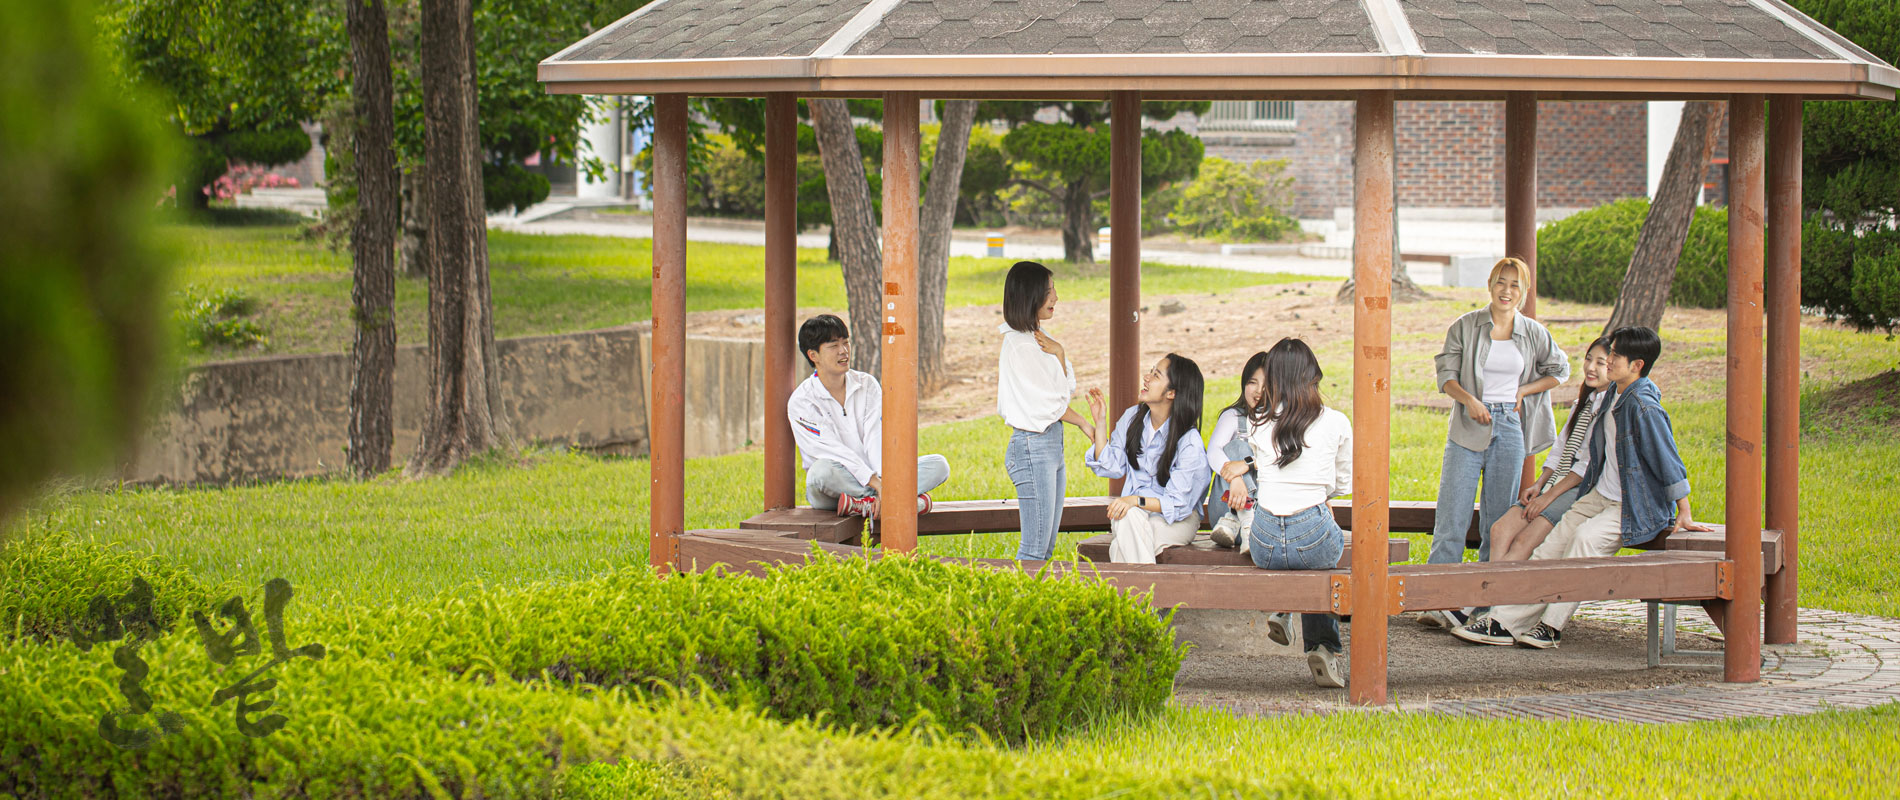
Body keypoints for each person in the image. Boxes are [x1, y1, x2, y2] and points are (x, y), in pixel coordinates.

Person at [1453, 326, 1713, 649]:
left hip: (1631, 507)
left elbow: (1668, 458)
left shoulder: (1643, 405)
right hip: (1599, 496)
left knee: (1582, 541)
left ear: (1637, 366)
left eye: (1615, 356)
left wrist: (1683, 511)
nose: (1609, 361)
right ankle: (1503, 620)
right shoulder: (1611, 396)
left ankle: (1551, 627)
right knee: (1548, 550)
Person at [1419, 257, 1571, 630]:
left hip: (1510, 425)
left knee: (1496, 518)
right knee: (1451, 513)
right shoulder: (1466, 326)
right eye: (1501, 282)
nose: (1507, 291)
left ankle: (1480, 600)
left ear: (1525, 291)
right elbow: (1446, 376)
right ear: (1490, 283)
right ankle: (1438, 597)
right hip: (1469, 425)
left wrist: (1525, 390)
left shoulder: (1534, 332)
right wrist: (1469, 400)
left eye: (1515, 285)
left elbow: (1561, 370)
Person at [1227, 338, 1353, 689]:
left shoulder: (1257, 421)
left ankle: (1284, 609)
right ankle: (1323, 647)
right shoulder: (1336, 421)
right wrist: (1319, 494)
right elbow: (1342, 483)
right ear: (1313, 375)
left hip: (1263, 541)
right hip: (1310, 536)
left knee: (1293, 546)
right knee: (1323, 551)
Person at [789, 314, 950, 518]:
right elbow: (833, 452)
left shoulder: (866, 384)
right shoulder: (802, 400)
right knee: (820, 473)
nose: (844, 351)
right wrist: (875, 483)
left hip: (878, 477)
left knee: (938, 464)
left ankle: (864, 504)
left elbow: (876, 436)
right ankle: (905, 503)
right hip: (836, 486)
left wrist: (882, 480)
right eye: (833, 346)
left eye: (846, 342)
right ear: (813, 355)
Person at [1485, 336, 1613, 563]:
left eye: (1600, 363)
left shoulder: (1610, 408)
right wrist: (1539, 484)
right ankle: (1495, 593)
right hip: (1555, 482)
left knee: (1524, 542)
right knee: (1500, 530)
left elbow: (1587, 465)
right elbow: (1560, 449)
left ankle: (1501, 596)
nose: (1591, 368)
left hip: (1578, 489)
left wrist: (1547, 498)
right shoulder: (1582, 403)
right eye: (1588, 359)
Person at [997, 261, 1093, 560]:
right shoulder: (1022, 345)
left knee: (1045, 547)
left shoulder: (1037, 338)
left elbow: (1067, 388)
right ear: (1030, 295)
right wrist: (1084, 424)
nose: (1056, 298)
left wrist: (1060, 351)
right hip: (1032, 446)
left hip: (1049, 443)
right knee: (1035, 550)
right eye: (1049, 291)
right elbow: (1052, 402)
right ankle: (1015, 606)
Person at [1083, 354, 1209, 564]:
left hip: (1177, 520)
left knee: (1123, 539)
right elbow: (1111, 466)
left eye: (1156, 375)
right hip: (1133, 515)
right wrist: (1100, 422)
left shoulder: (1189, 442)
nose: (1146, 377)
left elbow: (1178, 505)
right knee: (1130, 521)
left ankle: (1134, 596)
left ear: (1172, 393)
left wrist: (1135, 500)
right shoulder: (1133, 418)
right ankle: (1149, 595)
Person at [1205, 351, 1270, 551]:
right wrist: (1235, 479)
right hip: (1223, 511)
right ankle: (1247, 520)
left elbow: (1278, 458)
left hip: (1262, 517)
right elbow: (1213, 451)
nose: (1258, 391)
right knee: (1236, 446)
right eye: (1252, 382)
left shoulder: (1281, 423)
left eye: (1267, 385)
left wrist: (1246, 465)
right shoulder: (1233, 416)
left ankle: (1238, 518)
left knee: (1244, 453)